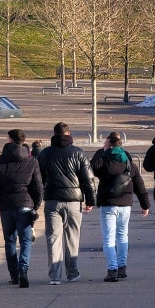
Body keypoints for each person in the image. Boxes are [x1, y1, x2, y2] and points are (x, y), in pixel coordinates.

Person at [36, 121, 95, 284]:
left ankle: (55, 276)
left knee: (53, 238)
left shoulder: (45, 153)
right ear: (69, 134)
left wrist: (37, 198)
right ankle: (72, 273)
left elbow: (39, 178)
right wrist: (90, 199)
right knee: (72, 237)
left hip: (52, 200)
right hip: (73, 200)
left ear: (54, 135)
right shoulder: (78, 152)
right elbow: (88, 179)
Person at [90, 131, 150, 282]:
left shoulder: (104, 161)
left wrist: (101, 152)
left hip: (108, 204)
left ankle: (112, 270)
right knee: (123, 236)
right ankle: (122, 267)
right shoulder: (128, 162)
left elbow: (92, 168)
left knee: (109, 238)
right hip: (125, 204)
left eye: (105, 143)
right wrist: (145, 204)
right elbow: (139, 184)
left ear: (109, 145)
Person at [0, 129, 42, 288]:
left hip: (6, 207)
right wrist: (35, 206)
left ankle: (14, 275)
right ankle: (23, 269)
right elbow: (38, 187)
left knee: (10, 241)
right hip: (25, 205)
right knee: (25, 241)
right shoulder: (32, 161)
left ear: (9, 140)